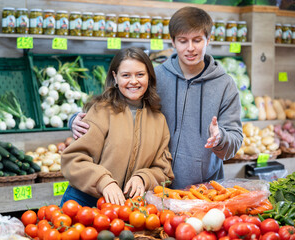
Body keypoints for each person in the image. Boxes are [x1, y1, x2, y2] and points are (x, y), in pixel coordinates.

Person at [69, 6, 243, 189]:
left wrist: (220, 138)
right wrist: (75, 120)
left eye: (197, 40)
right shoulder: (155, 77)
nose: (190, 48)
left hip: (202, 189)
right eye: (183, 41)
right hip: (153, 187)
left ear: (208, 39)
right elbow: (118, 106)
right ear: (173, 42)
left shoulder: (225, 85)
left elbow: (235, 139)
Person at [60, 47, 174, 207]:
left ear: (149, 77)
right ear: (115, 77)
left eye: (140, 74)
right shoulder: (101, 111)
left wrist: (144, 177)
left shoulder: (158, 120)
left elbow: (164, 170)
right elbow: (73, 160)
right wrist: (103, 181)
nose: (133, 81)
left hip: (124, 208)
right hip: (84, 202)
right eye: (126, 75)